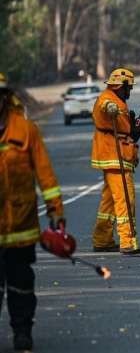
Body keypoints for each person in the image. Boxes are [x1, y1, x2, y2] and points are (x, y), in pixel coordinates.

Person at [0, 74, 65, 350]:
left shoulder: (26, 130)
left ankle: (22, 331)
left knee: (21, 284)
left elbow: (45, 174)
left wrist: (56, 210)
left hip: (20, 226)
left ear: (5, 97)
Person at [91, 68, 140, 254]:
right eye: (128, 87)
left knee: (108, 203)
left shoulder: (119, 101)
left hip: (117, 156)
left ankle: (102, 240)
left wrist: (133, 128)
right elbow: (103, 105)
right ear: (120, 86)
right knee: (125, 199)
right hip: (115, 157)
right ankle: (128, 241)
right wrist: (110, 108)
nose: (129, 91)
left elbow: (125, 129)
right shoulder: (107, 98)